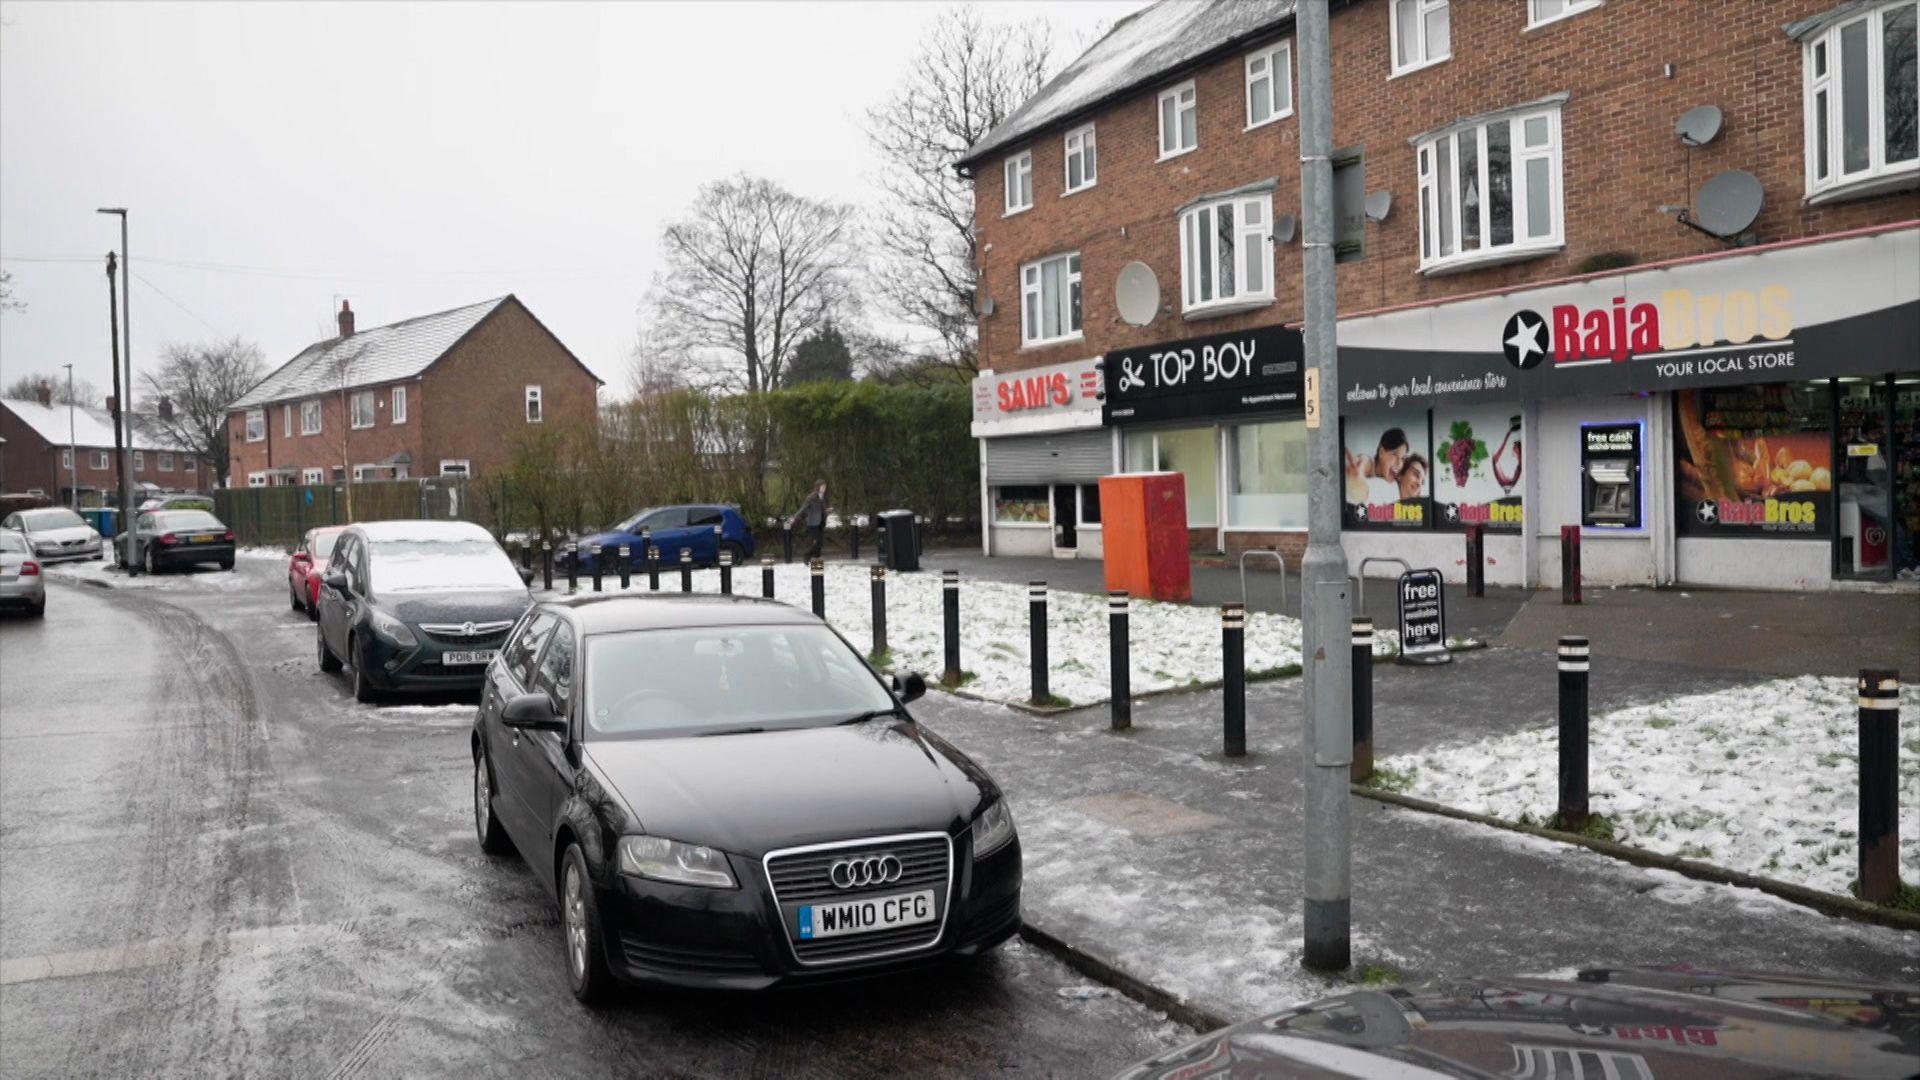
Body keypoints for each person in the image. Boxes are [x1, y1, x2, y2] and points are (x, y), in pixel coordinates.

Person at [790, 479, 828, 560]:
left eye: (825, 487)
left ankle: (816, 559)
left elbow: (821, 510)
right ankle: (807, 556)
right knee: (816, 542)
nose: (824, 488)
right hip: (813, 523)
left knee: (820, 543)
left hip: (821, 523)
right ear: (818, 487)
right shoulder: (811, 497)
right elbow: (803, 508)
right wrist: (794, 517)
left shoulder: (823, 497)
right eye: (823, 487)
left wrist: (827, 511)